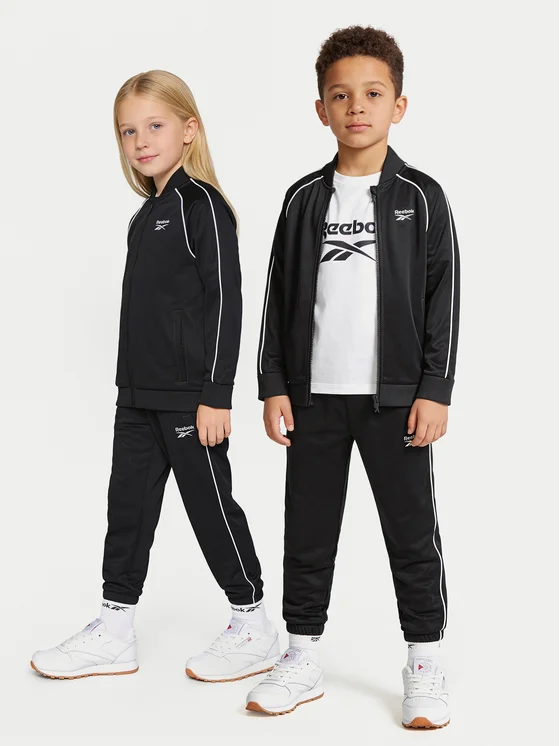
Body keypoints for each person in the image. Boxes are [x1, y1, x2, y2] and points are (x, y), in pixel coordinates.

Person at [30, 69, 279, 683]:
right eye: (128, 131)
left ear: (189, 130)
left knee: (210, 507)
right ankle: (115, 629)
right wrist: (129, 390)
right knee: (128, 510)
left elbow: (227, 303)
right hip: (137, 397)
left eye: (155, 125)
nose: (140, 141)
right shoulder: (145, 216)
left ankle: (254, 623)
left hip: (191, 399)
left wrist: (216, 394)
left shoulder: (203, 206)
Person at [247, 26, 460, 728]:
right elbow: (278, 297)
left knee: (411, 533)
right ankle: (301, 654)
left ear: (399, 106)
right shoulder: (303, 199)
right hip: (313, 400)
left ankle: (424, 659)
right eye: (341, 96)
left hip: (394, 401)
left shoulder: (421, 197)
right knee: (307, 530)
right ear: (321, 110)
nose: (357, 107)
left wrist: (434, 389)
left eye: (372, 93)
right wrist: (273, 383)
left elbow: (443, 297)